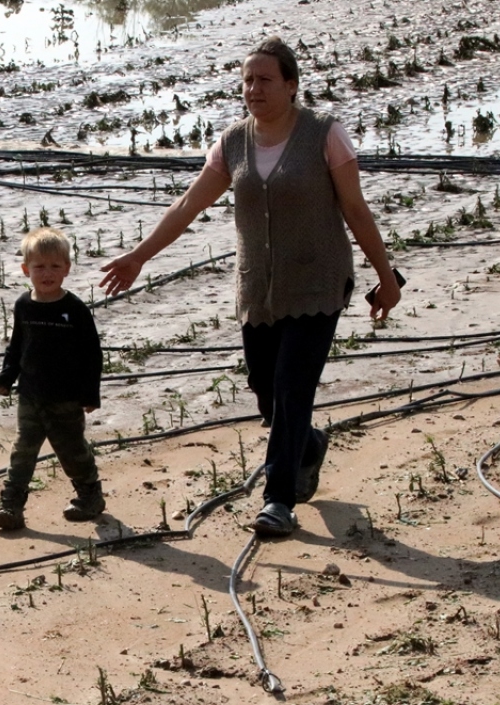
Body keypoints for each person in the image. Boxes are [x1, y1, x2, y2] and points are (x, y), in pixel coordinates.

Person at [99, 36, 400, 537]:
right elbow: (187, 207)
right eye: (247, 80)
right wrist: (138, 257)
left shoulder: (326, 136)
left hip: (317, 284)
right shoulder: (233, 142)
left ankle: (278, 500)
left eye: (264, 79)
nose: (253, 89)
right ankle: (307, 445)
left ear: (290, 85)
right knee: (267, 392)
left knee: (291, 387)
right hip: (257, 289)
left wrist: (385, 278)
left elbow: (355, 210)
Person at [0, 227, 105, 531]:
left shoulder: (75, 309)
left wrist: (90, 394)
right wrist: (7, 375)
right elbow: (17, 347)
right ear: (26, 269)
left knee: (71, 451)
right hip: (30, 395)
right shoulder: (23, 306)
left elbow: (92, 354)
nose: (47, 273)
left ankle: (90, 495)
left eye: (55, 266)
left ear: (67, 268)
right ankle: (11, 506)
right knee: (22, 452)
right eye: (39, 266)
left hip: (66, 398)